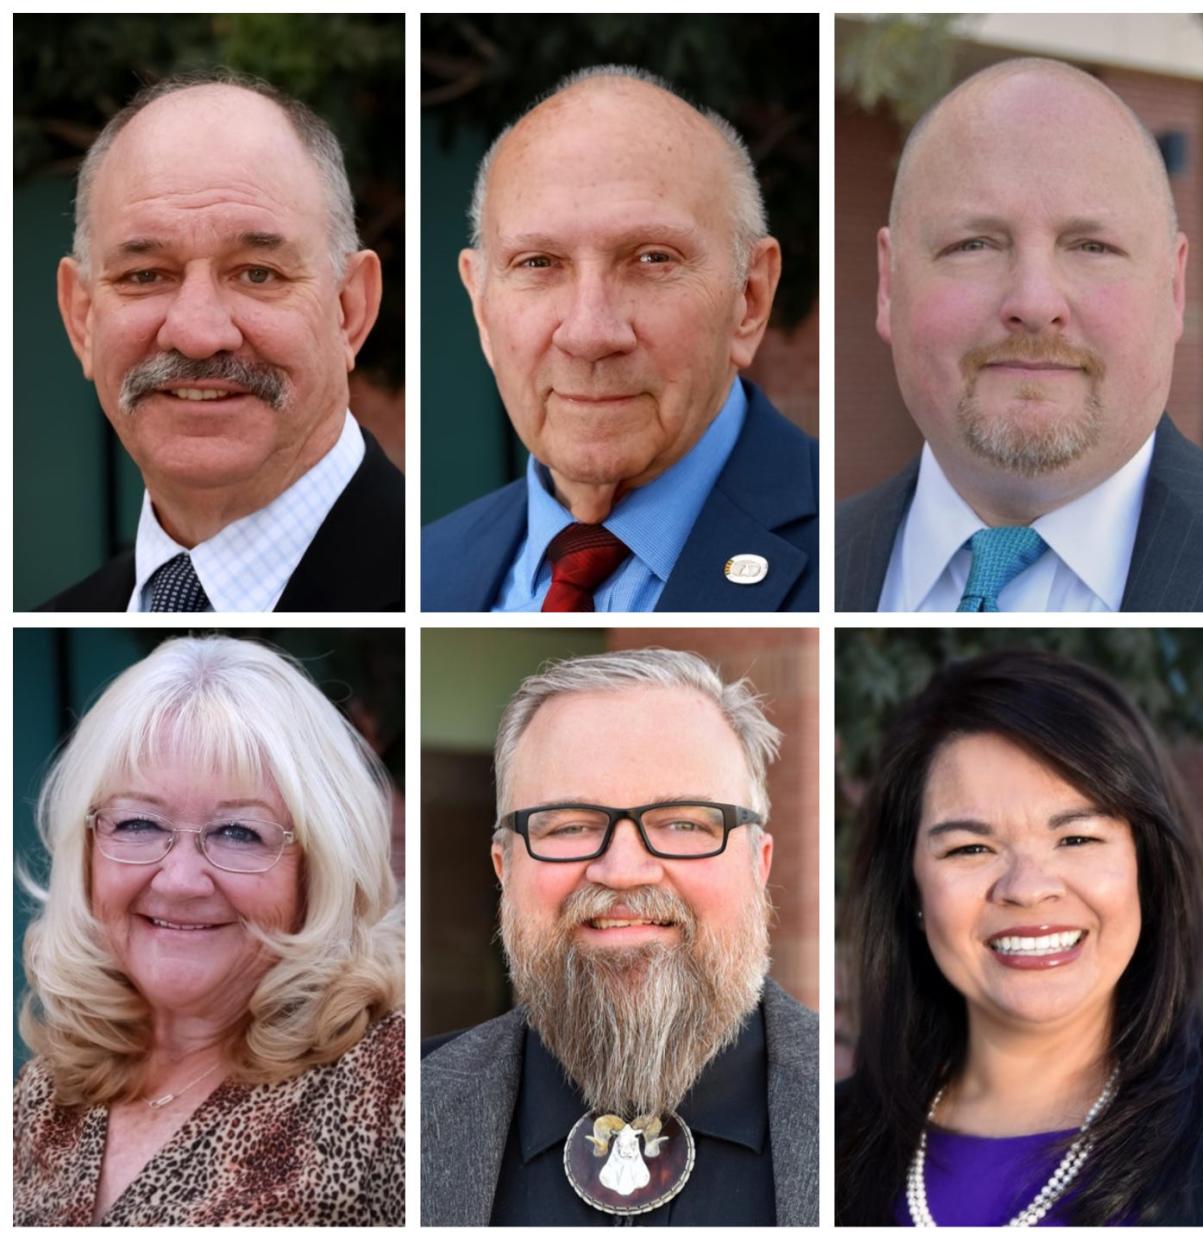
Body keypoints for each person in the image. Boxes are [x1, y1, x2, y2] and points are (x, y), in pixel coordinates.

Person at [14, 637, 404, 1225]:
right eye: (140, 823)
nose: (180, 881)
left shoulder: (395, 1089)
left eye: (238, 833)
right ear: (88, 848)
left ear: (318, 867)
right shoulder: (47, 1091)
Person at [421, 649, 818, 1224]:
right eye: (570, 826)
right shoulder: (398, 1105)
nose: (624, 870)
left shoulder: (862, 1106)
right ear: (504, 868)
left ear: (758, 864)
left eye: (683, 823)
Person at [836, 649, 1203, 1225]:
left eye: (1076, 839)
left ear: (1147, 865)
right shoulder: (828, 1143)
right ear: (911, 891)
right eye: (971, 848)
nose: (1027, 888)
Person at [422, 66, 818, 613]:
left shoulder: (855, 556)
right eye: (538, 262)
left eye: (652, 259)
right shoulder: (421, 569)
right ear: (482, 309)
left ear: (748, 298)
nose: (589, 334)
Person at [836, 58, 1203, 613]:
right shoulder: (803, 569)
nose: (1035, 305)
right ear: (888, 284)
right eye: (975, 244)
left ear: (1174, 286)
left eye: (1093, 247)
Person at [39, 69, 402, 612]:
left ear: (349, 310)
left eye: (257, 273)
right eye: (145, 276)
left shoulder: (444, 587)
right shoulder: (60, 616)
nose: (198, 334)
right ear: (83, 317)